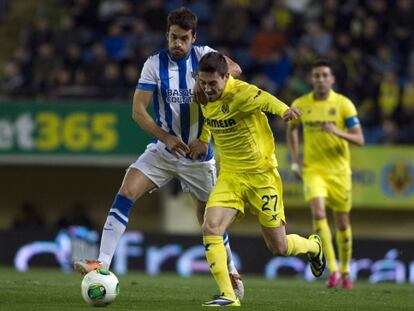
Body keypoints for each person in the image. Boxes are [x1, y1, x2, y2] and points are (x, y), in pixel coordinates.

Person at [74, 7, 245, 298]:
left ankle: (231, 274)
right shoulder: (154, 64)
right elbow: (138, 111)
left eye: (183, 38)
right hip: (164, 150)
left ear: (194, 38)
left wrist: (207, 123)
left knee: (209, 222)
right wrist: (164, 137)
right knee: (127, 190)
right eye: (173, 37)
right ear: (167, 35)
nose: (177, 43)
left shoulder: (205, 55)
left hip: (198, 158)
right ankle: (101, 264)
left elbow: (237, 69)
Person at [190, 52, 326, 307]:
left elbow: (267, 100)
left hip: (262, 176)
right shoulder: (203, 94)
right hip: (230, 176)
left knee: (279, 247)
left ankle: (313, 247)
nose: (207, 89)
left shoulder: (242, 93)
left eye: (212, 84)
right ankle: (228, 296)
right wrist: (203, 139)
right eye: (203, 82)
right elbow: (210, 117)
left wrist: (285, 111)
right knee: (210, 227)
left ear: (226, 77)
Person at [287, 59, 365, 290]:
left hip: (339, 171)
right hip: (313, 169)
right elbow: (292, 130)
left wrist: (337, 131)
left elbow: (360, 139)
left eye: (324, 75)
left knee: (342, 223)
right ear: (312, 79)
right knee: (319, 212)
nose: (320, 79)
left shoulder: (343, 105)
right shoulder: (301, 103)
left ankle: (346, 270)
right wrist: (295, 160)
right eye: (316, 75)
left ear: (332, 79)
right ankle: (332, 270)